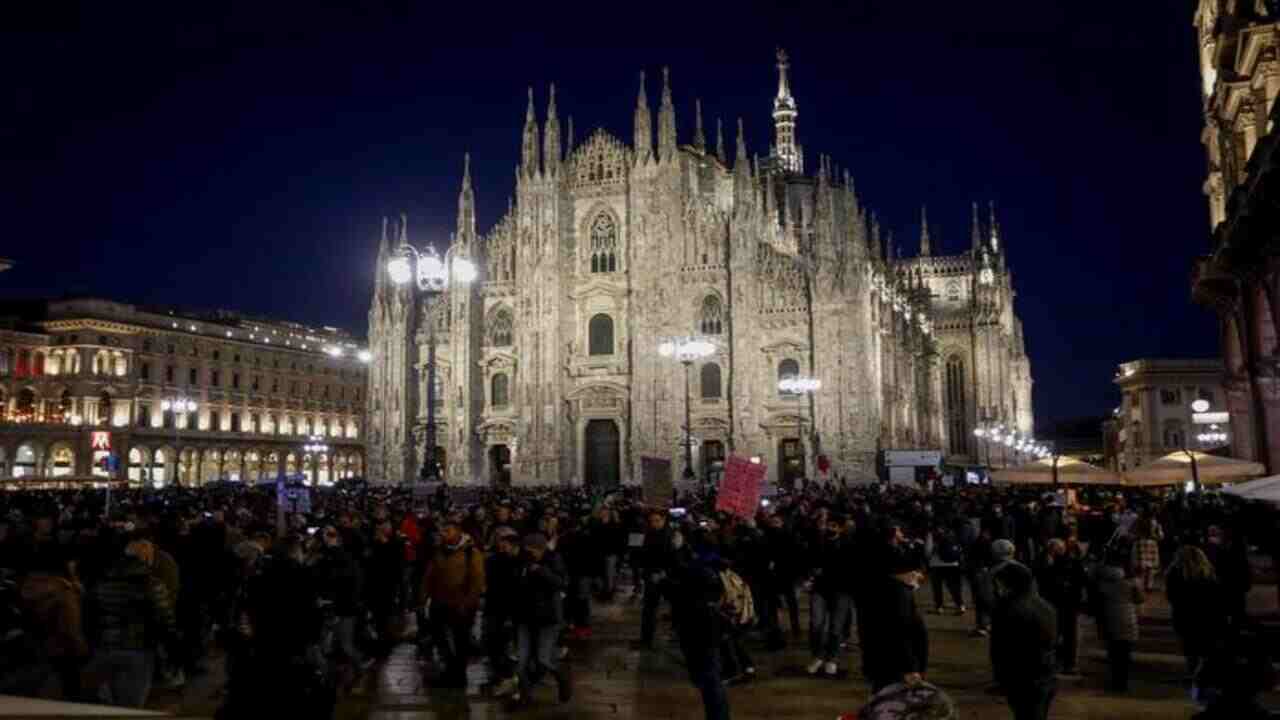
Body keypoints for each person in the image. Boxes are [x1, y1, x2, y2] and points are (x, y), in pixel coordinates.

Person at [83, 539, 178, 708]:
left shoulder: (103, 582)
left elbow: (91, 614)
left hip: (104, 647)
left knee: (109, 702)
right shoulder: (152, 584)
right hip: (139, 650)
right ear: (147, 558)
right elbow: (165, 619)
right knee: (132, 704)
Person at [420, 517, 486, 687]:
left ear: (458, 532)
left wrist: (468, 603)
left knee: (460, 642)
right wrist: (423, 598)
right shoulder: (439, 551)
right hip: (439, 604)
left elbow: (477, 581)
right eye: (442, 531)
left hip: (461, 606)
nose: (443, 534)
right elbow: (429, 576)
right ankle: (450, 671)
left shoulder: (472, 553)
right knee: (441, 639)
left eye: (447, 531)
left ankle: (458, 675)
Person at [17, 545, 89, 701]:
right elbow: (71, 627)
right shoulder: (64, 592)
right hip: (64, 655)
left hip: (32, 652)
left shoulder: (26, 586)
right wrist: (82, 649)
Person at [509, 532, 571, 707]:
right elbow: (516, 586)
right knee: (521, 661)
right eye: (527, 550)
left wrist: (542, 571)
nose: (530, 554)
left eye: (533, 551)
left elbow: (561, 582)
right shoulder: (522, 561)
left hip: (548, 617)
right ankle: (525, 695)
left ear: (541, 549)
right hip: (524, 616)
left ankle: (561, 676)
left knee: (543, 659)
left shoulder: (553, 559)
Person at [990, 562, 1057, 720]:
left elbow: (1001, 648)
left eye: (999, 584)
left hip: (1022, 675)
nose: (997, 589)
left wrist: (1001, 677)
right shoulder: (1044, 605)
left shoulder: (1008, 607)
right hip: (1045, 672)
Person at [861, 550, 929, 694]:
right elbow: (901, 633)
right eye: (918, 572)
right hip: (896, 669)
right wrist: (910, 667)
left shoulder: (889, 589)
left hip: (888, 666)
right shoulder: (899, 594)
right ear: (906, 572)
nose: (920, 577)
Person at [1165, 545, 1227, 680]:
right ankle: (1205, 673)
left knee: (1190, 647)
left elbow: (1171, 596)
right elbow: (1218, 597)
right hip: (1207, 616)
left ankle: (1193, 672)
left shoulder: (1175, 574)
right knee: (1205, 647)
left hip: (1184, 616)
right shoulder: (1209, 574)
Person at [1087, 549, 1144, 693]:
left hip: (1109, 619)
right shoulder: (1131, 582)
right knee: (1125, 654)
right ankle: (1123, 683)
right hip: (1127, 619)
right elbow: (1140, 599)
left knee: (1113, 654)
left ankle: (1114, 682)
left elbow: (1094, 602)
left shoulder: (1101, 583)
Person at [806, 513, 854, 677]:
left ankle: (831, 659)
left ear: (840, 528)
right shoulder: (818, 541)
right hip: (820, 589)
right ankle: (818, 656)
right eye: (827, 525)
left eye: (833, 526)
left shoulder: (847, 544)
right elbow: (809, 559)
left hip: (841, 590)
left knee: (835, 628)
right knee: (816, 624)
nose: (829, 528)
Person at [1033, 538, 1086, 676]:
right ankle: (1067, 664)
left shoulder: (1052, 566)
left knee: (1058, 635)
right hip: (1067, 605)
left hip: (1058, 605)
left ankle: (1059, 663)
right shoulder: (1073, 564)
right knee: (1069, 636)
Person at [483, 528, 522, 697]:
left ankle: (508, 679)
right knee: (493, 644)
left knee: (503, 647)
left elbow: (514, 590)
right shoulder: (493, 560)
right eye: (499, 542)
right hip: (493, 608)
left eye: (505, 543)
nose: (501, 546)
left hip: (507, 611)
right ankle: (500, 677)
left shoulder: (518, 563)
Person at [636, 511, 674, 649]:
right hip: (651, 575)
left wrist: (663, 572)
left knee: (653, 608)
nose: (654, 523)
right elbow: (646, 553)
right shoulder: (651, 533)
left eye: (657, 520)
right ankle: (646, 639)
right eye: (652, 521)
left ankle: (649, 639)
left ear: (663, 520)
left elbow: (671, 557)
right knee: (649, 609)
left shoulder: (668, 535)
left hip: (661, 576)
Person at [926, 526, 965, 615]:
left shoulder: (931, 534)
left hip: (936, 565)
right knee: (954, 587)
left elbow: (928, 551)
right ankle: (960, 606)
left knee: (937, 587)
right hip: (953, 564)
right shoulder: (952, 534)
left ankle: (939, 607)